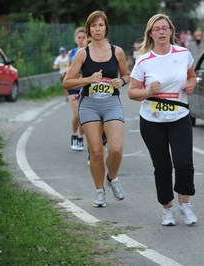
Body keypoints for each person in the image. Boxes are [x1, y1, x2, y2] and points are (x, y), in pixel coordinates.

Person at [128, 13, 197, 226]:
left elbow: (192, 76)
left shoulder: (183, 53)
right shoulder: (144, 60)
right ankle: (167, 209)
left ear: (170, 31)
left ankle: (184, 205)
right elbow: (132, 92)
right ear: (151, 33)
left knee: (184, 163)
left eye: (164, 28)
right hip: (152, 121)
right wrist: (148, 91)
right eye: (156, 29)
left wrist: (191, 84)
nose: (161, 32)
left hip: (179, 117)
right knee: (162, 166)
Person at [63, 10, 130, 208]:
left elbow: (127, 75)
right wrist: (88, 79)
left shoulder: (117, 51)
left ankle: (112, 178)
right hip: (89, 105)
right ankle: (99, 191)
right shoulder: (83, 53)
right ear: (89, 29)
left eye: (101, 25)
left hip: (111, 103)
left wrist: (121, 80)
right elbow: (67, 81)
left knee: (116, 149)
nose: (97, 29)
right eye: (94, 26)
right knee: (97, 152)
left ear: (106, 27)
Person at [67, 27, 87, 151]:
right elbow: (69, 68)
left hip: (85, 85)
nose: (81, 40)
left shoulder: (89, 51)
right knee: (77, 114)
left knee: (83, 115)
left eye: (83, 37)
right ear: (75, 39)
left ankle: (80, 137)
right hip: (74, 86)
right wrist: (66, 72)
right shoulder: (71, 53)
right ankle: (74, 135)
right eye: (79, 38)